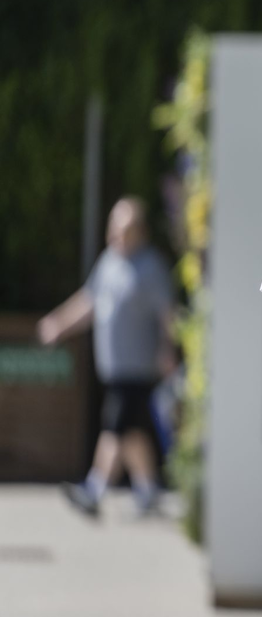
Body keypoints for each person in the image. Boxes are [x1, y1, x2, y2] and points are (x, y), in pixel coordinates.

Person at [38, 196, 175, 517]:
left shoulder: (150, 267)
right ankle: (147, 489)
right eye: (113, 228)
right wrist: (58, 323)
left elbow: (167, 315)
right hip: (114, 368)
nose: (116, 235)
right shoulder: (109, 262)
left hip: (138, 367)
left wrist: (168, 351)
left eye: (124, 229)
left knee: (115, 426)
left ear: (140, 231)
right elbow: (88, 301)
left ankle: (94, 490)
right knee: (132, 431)